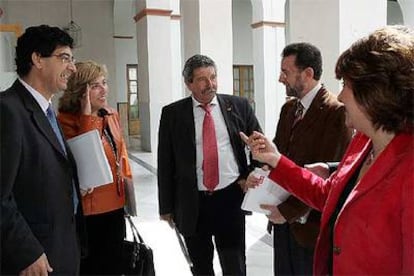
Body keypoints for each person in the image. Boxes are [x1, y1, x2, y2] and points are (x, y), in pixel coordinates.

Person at [241, 25, 414, 275]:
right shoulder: (362, 144)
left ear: (375, 93)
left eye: (346, 85)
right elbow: (326, 194)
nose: (341, 96)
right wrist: (275, 160)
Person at [250, 42, 352, 275]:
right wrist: (262, 169)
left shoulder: (336, 113)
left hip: (309, 228)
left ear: (308, 73)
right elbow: (281, 159)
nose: (280, 78)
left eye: (285, 72)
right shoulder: (289, 110)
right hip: (281, 220)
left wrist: (288, 211)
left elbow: (327, 179)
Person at [157, 54, 262, 276]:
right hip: (193, 202)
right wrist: (165, 206)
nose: (210, 84)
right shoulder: (173, 114)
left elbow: (260, 147)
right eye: (202, 79)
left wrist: (250, 174)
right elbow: (165, 162)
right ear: (189, 84)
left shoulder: (239, 106)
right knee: (201, 266)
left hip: (230, 198)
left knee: (235, 264)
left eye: (213, 77)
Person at [0, 24, 84, 275]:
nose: (72, 67)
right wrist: (26, 252)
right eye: (64, 58)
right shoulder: (8, 111)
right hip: (32, 258)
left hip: (61, 246)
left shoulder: (46, 110)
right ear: (37, 58)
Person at [57, 60, 134, 275]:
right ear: (80, 90)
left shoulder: (110, 115)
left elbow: (122, 155)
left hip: (116, 204)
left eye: (104, 83)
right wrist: (86, 116)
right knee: (93, 266)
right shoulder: (65, 121)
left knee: (114, 263)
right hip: (90, 209)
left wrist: (129, 195)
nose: (104, 89)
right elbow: (86, 161)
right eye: (95, 85)